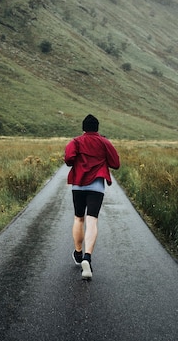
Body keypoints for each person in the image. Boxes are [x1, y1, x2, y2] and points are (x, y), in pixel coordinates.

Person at [64, 114, 120, 279]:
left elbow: (68, 159)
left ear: (83, 128)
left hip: (78, 185)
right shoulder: (104, 142)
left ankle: (78, 253)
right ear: (97, 128)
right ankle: (88, 257)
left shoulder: (75, 141)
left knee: (78, 219)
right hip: (96, 186)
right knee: (92, 220)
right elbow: (116, 163)